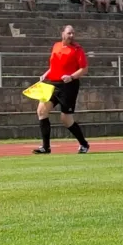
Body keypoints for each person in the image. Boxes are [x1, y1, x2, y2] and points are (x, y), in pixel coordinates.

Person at [33, 25, 90, 154]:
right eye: (69, 33)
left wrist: (71, 77)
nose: (71, 36)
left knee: (66, 119)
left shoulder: (77, 49)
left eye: (73, 33)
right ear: (62, 33)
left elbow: (84, 69)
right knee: (41, 111)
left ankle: (84, 144)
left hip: (68, 86)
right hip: (53, 84)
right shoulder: (56, 46)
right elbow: (54, 66)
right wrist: (45, 75)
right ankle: (46, 147)